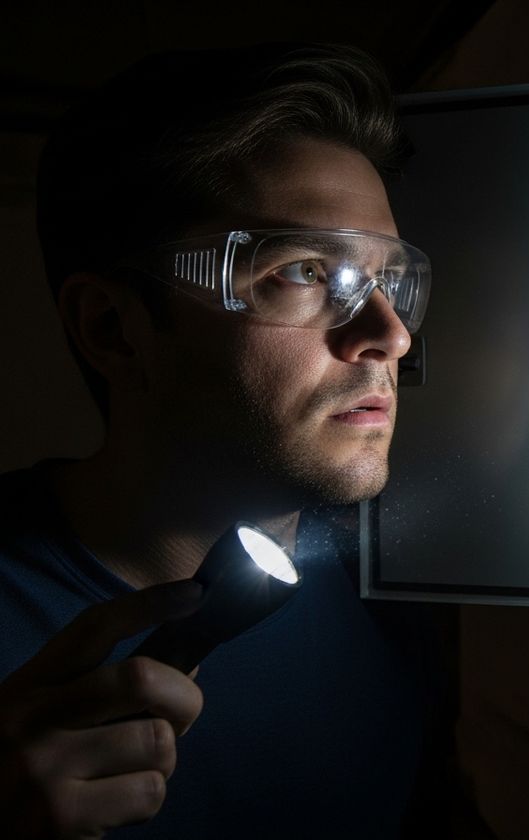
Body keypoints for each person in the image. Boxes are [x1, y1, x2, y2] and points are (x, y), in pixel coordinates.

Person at [0, 44, 447, 838]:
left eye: (390, 281)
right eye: (307, 271)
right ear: (114, 329)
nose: (389, 336)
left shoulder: (399, 592)